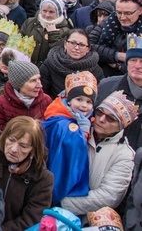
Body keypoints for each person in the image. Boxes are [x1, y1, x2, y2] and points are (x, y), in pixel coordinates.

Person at [61, 90, 137, 217]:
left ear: (121, 126)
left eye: (110, 119)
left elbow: (108, 196)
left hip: (86, 218)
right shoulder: (78, 130)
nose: (101, 119)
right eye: (100, 112)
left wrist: (62, 202)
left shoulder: (124, 155)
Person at [0, 117, 54, 231]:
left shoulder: (43, 179)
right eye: (11, 140)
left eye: (23, 146)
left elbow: (31, 219)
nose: (13, 149)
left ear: (32, 149)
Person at [43, 71, 98, 205]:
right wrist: (82, 133)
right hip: (62, 189)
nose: (84, 105)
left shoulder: (80, 121)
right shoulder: (66, 126)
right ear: (69, 100)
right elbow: (69, 161)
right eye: (79, 99)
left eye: (89, 102)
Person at [39, 29, 103, 98]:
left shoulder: (96, 70)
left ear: (88, 49)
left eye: (82, 45)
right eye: (72, 43)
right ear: (65, 44)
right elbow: (42, 94)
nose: (76, 48)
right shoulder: (50, 63)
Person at [20, 0, 71, 66]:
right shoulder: (30, 22)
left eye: (51, 12)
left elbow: (60, 53)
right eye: (44, 11)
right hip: (26, 65)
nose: (47, 15)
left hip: (48, 69)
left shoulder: (65, 31)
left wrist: (53, 34)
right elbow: (20, 40)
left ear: (58, 13)